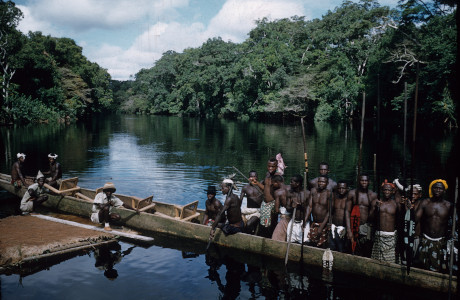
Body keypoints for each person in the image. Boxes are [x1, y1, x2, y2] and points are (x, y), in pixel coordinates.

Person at [414, 179, 453, 272]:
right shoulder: (425, 203)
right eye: (435, 188)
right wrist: (410, 209)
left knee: (438, 267)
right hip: (425, 239)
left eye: (440, 188)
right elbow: (416, 219)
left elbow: (454, 222)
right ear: (431, 189)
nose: (437, 190)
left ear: (444, 191)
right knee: (421, 265)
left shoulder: (449, 205)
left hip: (440, 241)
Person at [369, 180, 402, 263]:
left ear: (392, 192)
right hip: (379, 236)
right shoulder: (376, 202)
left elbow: (399, 222)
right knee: (377, 261)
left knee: (391, 262)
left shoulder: (395, 204)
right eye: (385, 190)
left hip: (391, 237)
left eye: (389, 190)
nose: (387, 192)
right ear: (382, 191)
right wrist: (376, 208)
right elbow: (370, 218)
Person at [345, 174, 378, 257]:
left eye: (366, 181)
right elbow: (347, 211)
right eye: (362, 180)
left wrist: (375, 208)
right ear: (359, 182)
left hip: (366, 227)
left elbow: (373, 215)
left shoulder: (373, 195)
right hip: (354, 225)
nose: (364, 182)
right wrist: (348, 230)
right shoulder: (352, 193)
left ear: (369, 182)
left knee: (366, 251)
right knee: (352, 251)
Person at [306, 175, 331, 248]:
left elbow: (329, 212)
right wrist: (305, 220)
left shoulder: (329, 193)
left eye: (323, 182)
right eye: (319, 181)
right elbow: (309, 207)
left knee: (322, 245)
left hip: (323, 224)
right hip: (314, 222)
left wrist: (322, 226)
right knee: (312, 243)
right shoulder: (313, 191)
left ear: (327, 183)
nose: (321, 183)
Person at [285, 174, 310, 244]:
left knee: (305, 242)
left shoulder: (307, 193)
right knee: (290, 241)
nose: (290, 183)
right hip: (293, 221)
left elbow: (309, 209)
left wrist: (301, 206)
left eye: (291, 182)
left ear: (297, 183)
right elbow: (287, 208)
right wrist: (292, 207)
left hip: (304, 222)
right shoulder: (290, 193)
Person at [329, 180, 349, 252]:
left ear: (347, 189)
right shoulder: (335, 198)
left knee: (341, 249)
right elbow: (331, 212)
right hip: (333, 227)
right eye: (339, 188)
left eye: (343, 188)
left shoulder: (348, 200)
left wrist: (347, 229)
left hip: (343, 228)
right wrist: (330, 223)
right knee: (332, 247)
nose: (341, 190)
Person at [271, 175, 290, 241]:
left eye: (273, 183)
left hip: (285, 215)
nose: (272, 185)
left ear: (277, 182)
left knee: (277, 237)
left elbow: (276, 209)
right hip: (293, 214)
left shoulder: (278, 192)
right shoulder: (291, 188)